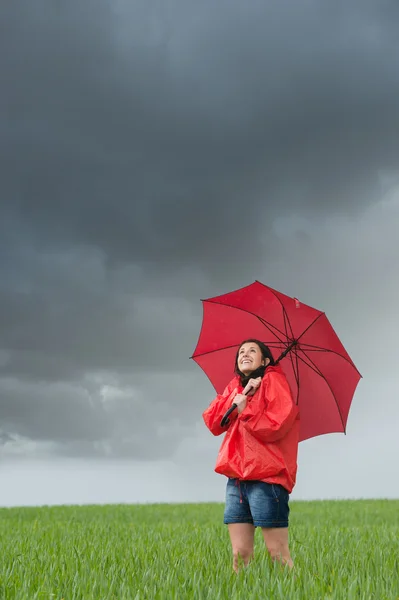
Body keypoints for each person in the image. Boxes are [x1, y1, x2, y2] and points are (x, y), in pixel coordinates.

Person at [202, 338, 300, 572]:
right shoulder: (236, 385)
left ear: (265, 360)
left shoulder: (275, 382)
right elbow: (214, 422)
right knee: (240, 555)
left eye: (252, 351)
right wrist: (238, 395)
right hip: (236, 480)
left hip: (267, 479)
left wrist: (245, 410)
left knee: (277, 554)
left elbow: (276, 426)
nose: (244, 354)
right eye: (241, 351)